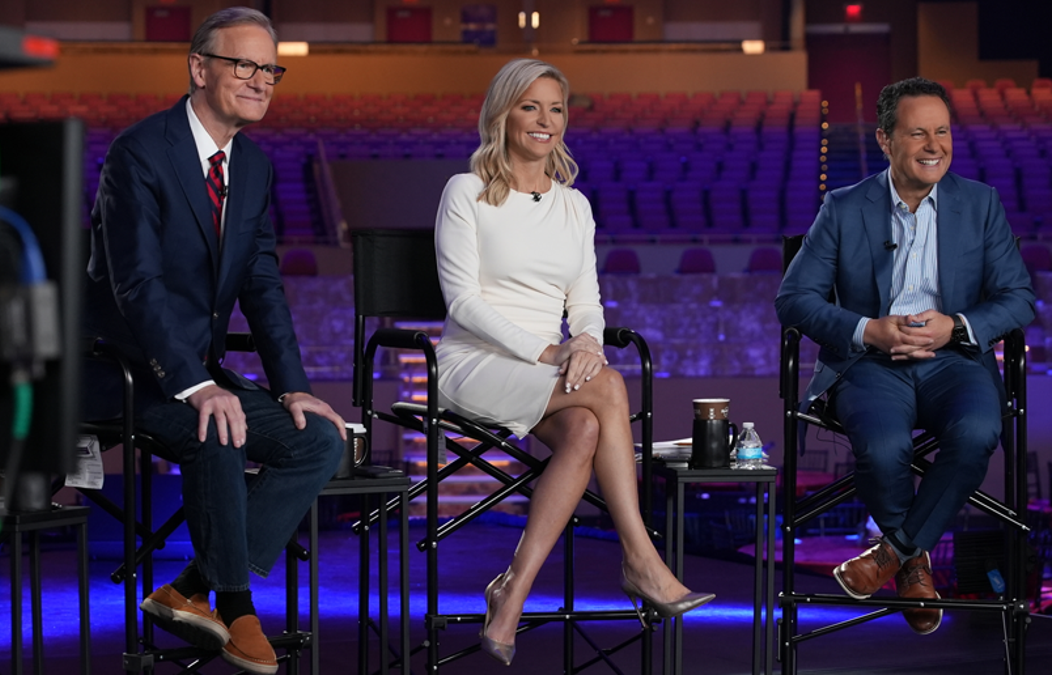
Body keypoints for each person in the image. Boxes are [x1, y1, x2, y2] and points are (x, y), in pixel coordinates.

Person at [82, 8, 344, 673]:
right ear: (199, 68)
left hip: (195, 370)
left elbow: (261, 283)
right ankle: (235, 602)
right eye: (244, 65)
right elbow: (134, 284)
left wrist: (293, 385)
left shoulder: (251, 168)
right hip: (123, 368)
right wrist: (196, 384)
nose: (261, 80)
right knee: (215, 426)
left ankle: (189, 587)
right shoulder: (139, 152)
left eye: (270, 69)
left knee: (318, 439)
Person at [433, 59, 714, 666]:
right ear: (503, 113)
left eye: (555, 108)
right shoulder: (466, 192)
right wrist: (554, 350)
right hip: (473, 363)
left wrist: (585, 341)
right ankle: (641, 558)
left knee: (588, 423)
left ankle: (513, 590)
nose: (544, 120)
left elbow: (585, 300)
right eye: (530, 106)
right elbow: (462, 302)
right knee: (609, 388)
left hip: (550, 372)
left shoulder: (574, 206)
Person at [776, 77, 1035, 635]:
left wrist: (956, 326)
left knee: (975, 432)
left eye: (941, 132)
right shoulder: (843, 208)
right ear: (885, 140)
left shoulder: (980, 203)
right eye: (918, 133)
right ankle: (913, 563)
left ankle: (890, 553)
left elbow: (1019, 298)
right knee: (884, 443)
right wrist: (869, 330)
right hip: (871, 364)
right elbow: (793, 300)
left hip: (956, 362)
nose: (933, 145)